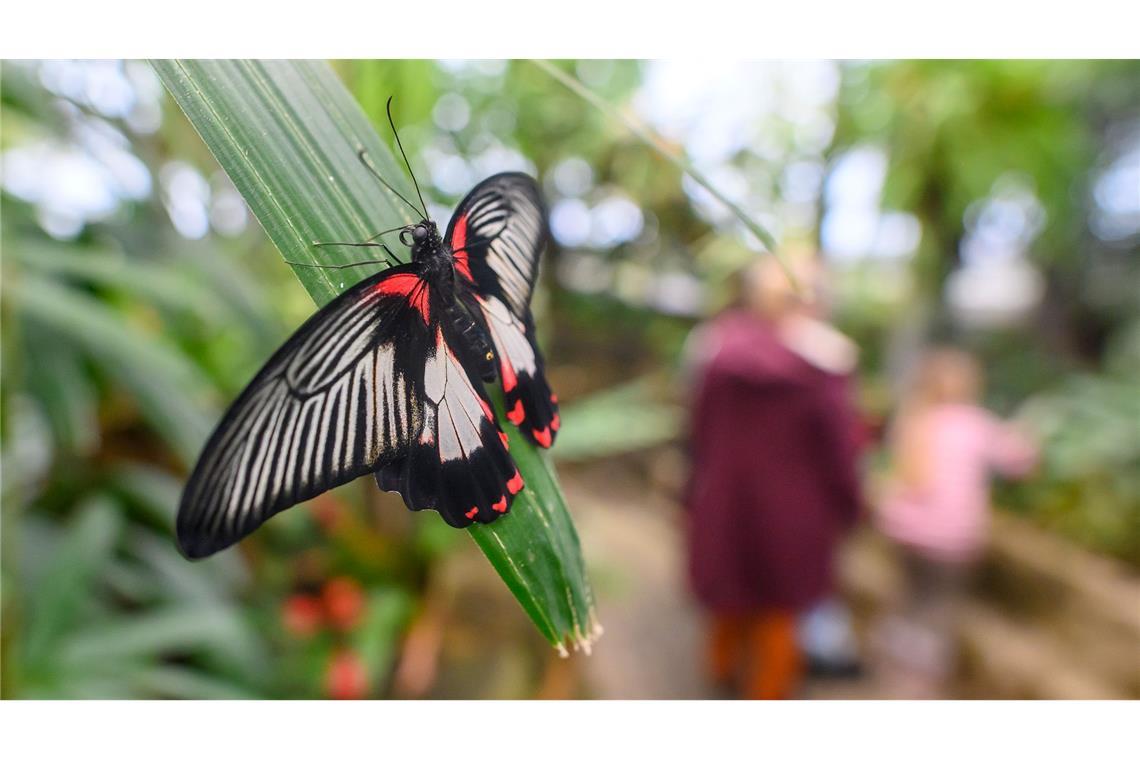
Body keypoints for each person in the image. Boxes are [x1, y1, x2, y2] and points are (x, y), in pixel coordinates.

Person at [683, 253, 864, 699]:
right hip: (798, 513)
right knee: (781, 611)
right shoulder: (827, 363)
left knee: (730, 595)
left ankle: (721, 675)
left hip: (727, 500)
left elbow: (698, 431)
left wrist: (697, 489)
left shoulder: (713, 347)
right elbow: (841, 449)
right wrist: (852, 504)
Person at [873, 347, 1037, 697]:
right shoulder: (975, 424)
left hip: (906, 533)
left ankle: (896, 672)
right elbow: (1018, 461)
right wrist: (1027, 437)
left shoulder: (914, 419)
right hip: (951, 540)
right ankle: (921, 683)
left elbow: (902, 477)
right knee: (938, 609)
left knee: (910, 598)